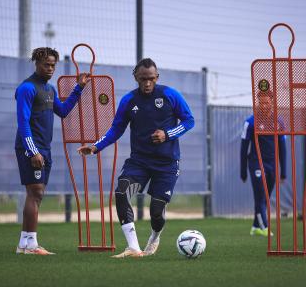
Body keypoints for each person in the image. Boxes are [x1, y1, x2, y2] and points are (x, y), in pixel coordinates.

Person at [77, 58, 195, 258]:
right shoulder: (128, 101)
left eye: (151, 79)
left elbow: (189, 120)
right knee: (121, 192)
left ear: (157, 77)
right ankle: (133, 248)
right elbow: (116, 129)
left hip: (167, 163)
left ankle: (155, 235)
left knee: (156, 212)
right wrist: (96, 146)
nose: (147, 83)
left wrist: (167, 134)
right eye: (143, 79)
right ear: (136, 78)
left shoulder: (170, 95)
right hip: (139, 161)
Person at [15, 47, 90, 255]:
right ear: (36, 64)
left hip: (44, 149)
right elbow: (22, 124)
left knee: (37, 195)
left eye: (52, 65)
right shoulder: (26, 89)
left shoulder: (49, 90)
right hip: (30, 148)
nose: (50, 69)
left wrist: (79, 88)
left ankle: (24, 244)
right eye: (46, 65)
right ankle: (30, 244)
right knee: (35, 192)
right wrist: (32, 152)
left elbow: (64, 111)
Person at [240, 90, 286, 237]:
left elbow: (283, 147)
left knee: (265, 197)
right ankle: (264, 226)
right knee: (260, 194)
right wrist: (243, 170)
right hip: (256, 164)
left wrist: (283, 170)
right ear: (257, 103)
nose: (264, 105)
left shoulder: (279, 122)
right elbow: (243, 147)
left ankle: (255, 226)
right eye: (261, 103)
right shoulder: (250, 122)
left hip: (272, 165)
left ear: (272, 102)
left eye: (267, 102)